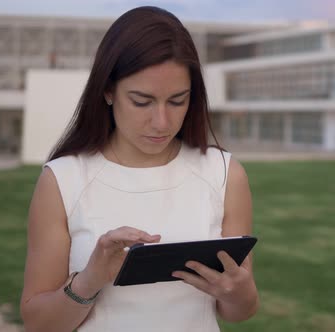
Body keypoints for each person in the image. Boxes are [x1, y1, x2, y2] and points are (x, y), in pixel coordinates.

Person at [20, 6, 259, 332]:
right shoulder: (63, 180)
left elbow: (238, 311)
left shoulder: (224, 174)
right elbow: (38, 323)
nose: (161, 122)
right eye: (141, 101)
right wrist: (89, 280)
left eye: (177, 101)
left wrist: (239, 292)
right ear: (107, 90)